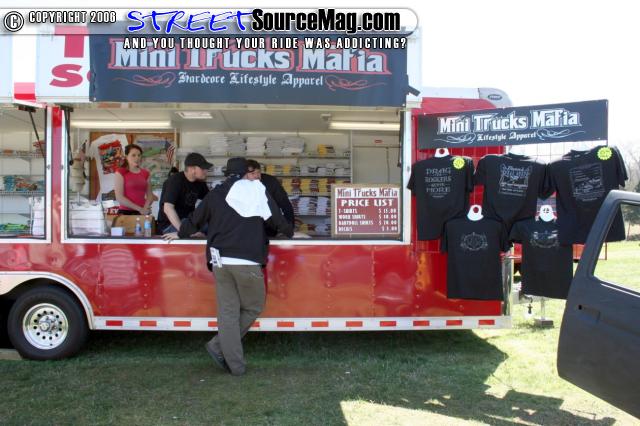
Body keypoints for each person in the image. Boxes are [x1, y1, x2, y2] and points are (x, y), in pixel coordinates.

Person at [165, 157, 293, 376]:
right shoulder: (257, 190)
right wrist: (290, 232)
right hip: (247, 260)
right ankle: (218, 347)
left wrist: (181, 233)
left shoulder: (216, 194)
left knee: (228, 313)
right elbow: (276, 220)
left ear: (227, 174)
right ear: (245, 173)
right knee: (253, 307)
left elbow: (195, 221)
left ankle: (234, 364)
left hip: (220, 261)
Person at [157, 153, 211, 234]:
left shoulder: (200, 183)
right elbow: (168, 208)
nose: (206, 171)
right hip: (170, 225)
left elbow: (211, 201)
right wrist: (183, 232)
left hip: (188, 222)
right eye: (203, 168)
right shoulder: (175, 181)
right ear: (192, 169)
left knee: (214, 226)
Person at [246, 159, 295, 229]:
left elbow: (285, 204)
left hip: (270, 224)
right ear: (245, 175)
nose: (257, 176)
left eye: (258, 172)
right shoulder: (240, 185)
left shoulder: (270, 181)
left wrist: (290, 226)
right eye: (253, 173)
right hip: (249, 224)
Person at [114, 144, 153, 215]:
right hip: (125, 213)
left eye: (139, 155)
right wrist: (140, 209)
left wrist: (146, 208)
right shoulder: (120, 172)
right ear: (126, 157)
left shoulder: (146, 173)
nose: (137, 158)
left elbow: (150, 195)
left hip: (143, 212)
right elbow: (119, 197)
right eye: (133, 155)